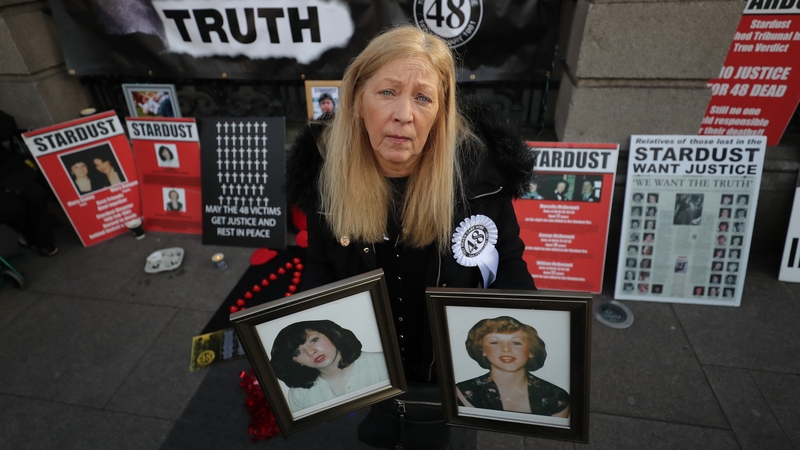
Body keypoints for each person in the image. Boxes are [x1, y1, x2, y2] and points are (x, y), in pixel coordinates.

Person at [285, 26, 536, 447]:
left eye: (423, 98)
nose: (404, 114)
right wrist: (304, 326)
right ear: (357, 100)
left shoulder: (483, 180)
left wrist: (529, 329)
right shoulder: (325, 177)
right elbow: (320, 264)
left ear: (441, 111)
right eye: (387, 92)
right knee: (380, 433)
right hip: (369, 366)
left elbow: (509, 265)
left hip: (448, 369)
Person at [455, 317, 569, 416]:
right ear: (482, 350)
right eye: (494, 342)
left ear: (531, 351)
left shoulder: (556, 396)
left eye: (516, 343)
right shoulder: (464, 392)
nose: (506, 349)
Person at [271, 320, 388, 413]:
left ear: (332, 335)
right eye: (297, 352)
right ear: (295, 362)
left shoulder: (382, 363)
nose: (310, 352)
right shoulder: (299, 394)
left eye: (314, 340)